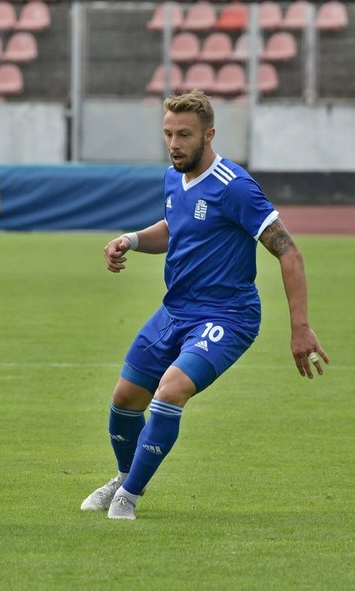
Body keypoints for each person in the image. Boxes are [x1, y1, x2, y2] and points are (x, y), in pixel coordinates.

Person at [80, 90, 329, 521]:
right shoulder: (173, 177)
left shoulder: (236, 188)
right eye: (168, 134)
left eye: (185, 135)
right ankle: (124, 476)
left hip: (227, 316)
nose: (174, 143)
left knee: (171, 390)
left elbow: (288, 251)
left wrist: (300, 327)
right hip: (176, 309)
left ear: (209, 134)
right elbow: (177, 228)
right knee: (124, 399)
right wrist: (132, 240)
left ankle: (129, 497)